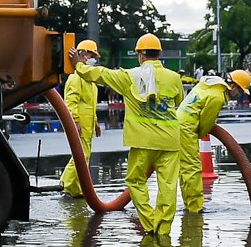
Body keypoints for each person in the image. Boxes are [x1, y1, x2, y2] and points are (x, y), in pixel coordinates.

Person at [71, 34, 184, 234]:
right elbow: (178, 103)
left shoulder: (129, 77)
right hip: (170, 141)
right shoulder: (174, 78)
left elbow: (100, 74)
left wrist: (78, 66)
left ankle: (150, 222)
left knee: (134, 181)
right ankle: (163, 229)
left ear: (140, 55)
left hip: (142, 142)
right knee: (168, 186)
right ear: (159, 54)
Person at [176, 69, 251, 213]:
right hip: (186, 128)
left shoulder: (210, 86)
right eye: (241, 91)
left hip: (179, 123)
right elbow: (206, 122)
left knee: (186, 168)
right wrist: (200, 134)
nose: (239, 95)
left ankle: (190, 205)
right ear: (234, 86)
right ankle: (195, 208)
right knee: (192, 169)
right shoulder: (217, 97)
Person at [60, 39, 102, 198]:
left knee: (84, 156)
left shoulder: (89, 80)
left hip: (87, 126)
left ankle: (76, 189)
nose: (93, 59)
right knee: (81, 157)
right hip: (81, 125)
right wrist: (75, 122)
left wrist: (96, 124)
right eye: (92, 55)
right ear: (82, 55)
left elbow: (90, 105)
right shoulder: (76, 77)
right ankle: (67, 187)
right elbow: (71, 102)